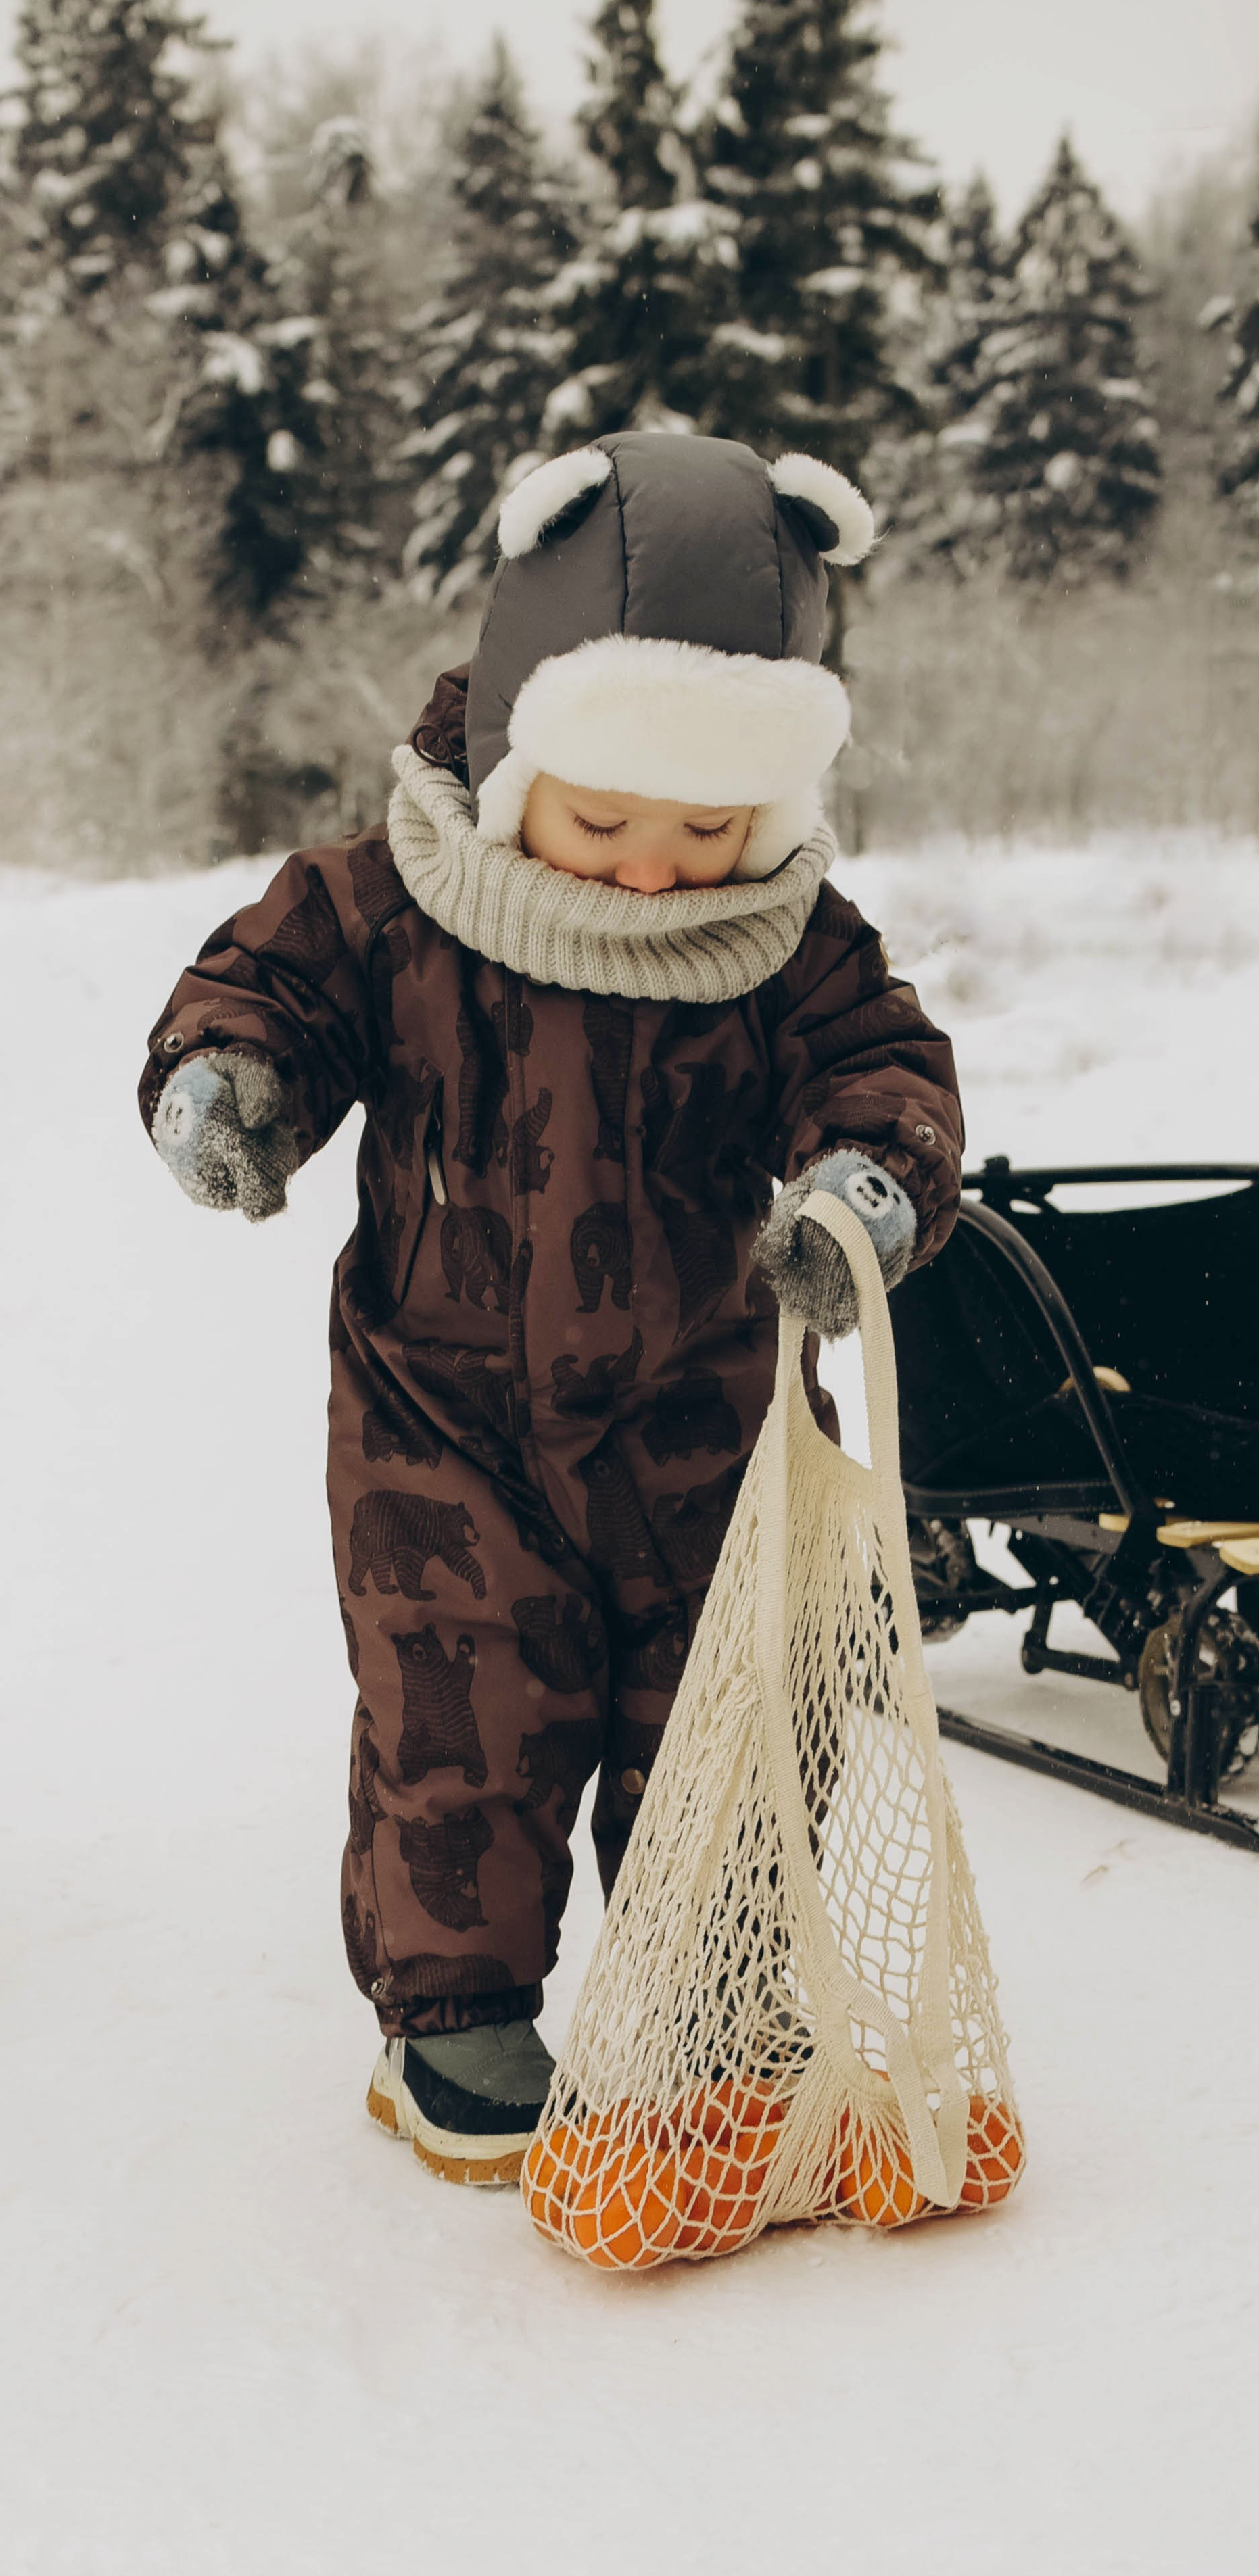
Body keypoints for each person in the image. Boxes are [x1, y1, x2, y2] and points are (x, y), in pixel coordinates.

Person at [139, 431, 964, 2186]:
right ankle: (453, 2012)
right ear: (519, 755)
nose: (656, 868)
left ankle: (724, 2003)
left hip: (700, 1408)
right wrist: (235, 1079)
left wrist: (863, 1192)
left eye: (712, 824)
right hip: (444, 1418)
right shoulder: (395, 898)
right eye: (604, 818)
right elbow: (262, 980)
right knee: (466, 1710)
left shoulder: (790, 937)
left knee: (728, 1713)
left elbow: (881, 1066)